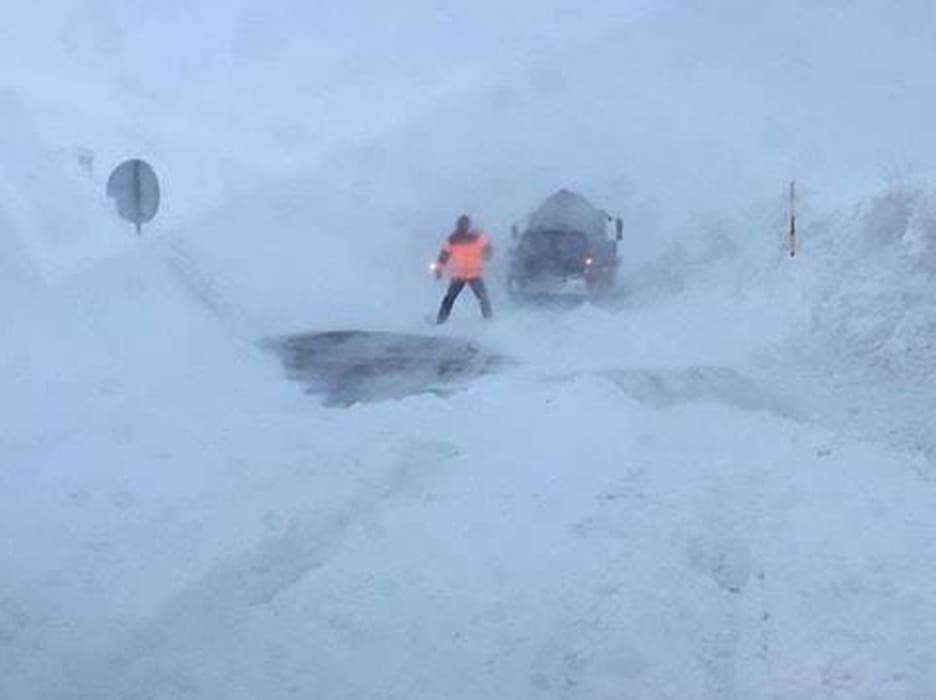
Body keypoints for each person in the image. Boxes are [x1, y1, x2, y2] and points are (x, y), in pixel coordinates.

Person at [433, 214, 493, 324]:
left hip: (472, 274)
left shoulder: (476, 236)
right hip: (460, 275)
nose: (463, 226)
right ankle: (440, 320)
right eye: (461, 224)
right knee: (450, 298)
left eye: (464, 224)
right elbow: (443, 256)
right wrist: (438, 269)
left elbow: (487, 247)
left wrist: (487, 253)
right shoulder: (453, 239)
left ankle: (489, 319)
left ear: (468, 225)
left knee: (482, 298)